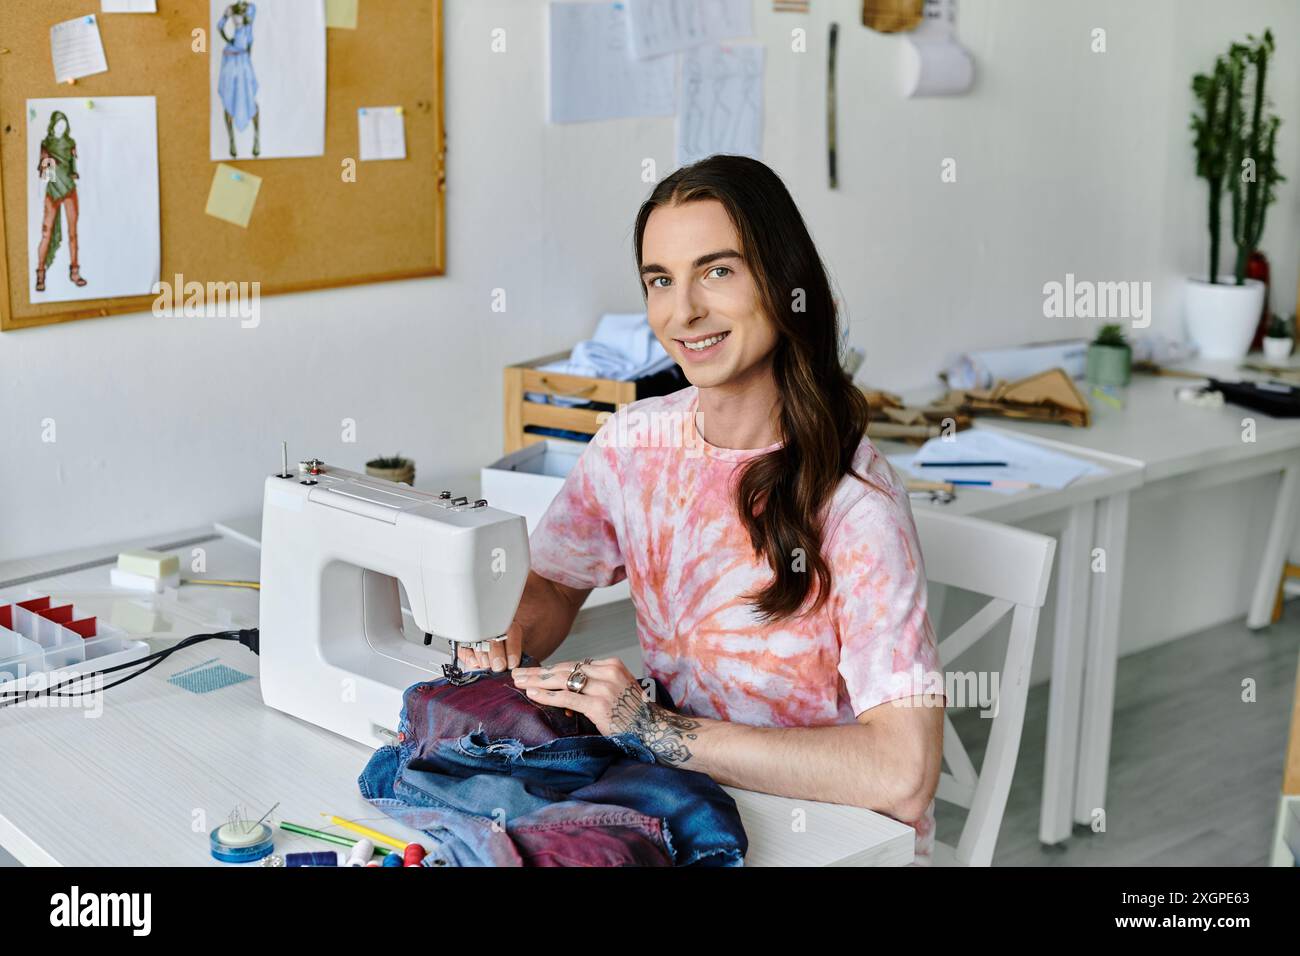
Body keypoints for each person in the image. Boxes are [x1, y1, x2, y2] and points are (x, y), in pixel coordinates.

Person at [462, 155, 946, 864]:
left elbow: (902, 776)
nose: (681, 312)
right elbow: (557, 580)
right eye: (661, 280)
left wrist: (655, 731)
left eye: (717, 271)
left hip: (829, 835)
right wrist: (509, 635)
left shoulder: (854, 506)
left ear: (784, 284)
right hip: (692, 806)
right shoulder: (636, 443)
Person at [35, 111, 88, 293]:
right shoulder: (47, 145)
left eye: (63, 125)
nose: (61, 128)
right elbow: (46, 173)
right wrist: (42, 192)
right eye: (58, 124)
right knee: (46, 233)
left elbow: (73, 167)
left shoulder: (70, 143)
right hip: (52, 193)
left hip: (70, 191)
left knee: (73, 233)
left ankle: (75, 272)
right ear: (52, 125)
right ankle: (40, 274)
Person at [218, 1, 260, 158]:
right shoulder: (230, 8)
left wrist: (248, 52)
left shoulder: (251, 8)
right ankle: (231, 141)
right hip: (232, 55)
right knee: (229, 98)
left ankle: (256, 139)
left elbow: (249, 34)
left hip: (243, 55)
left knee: (250, 96)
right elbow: (219, 25)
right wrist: (228, 40)